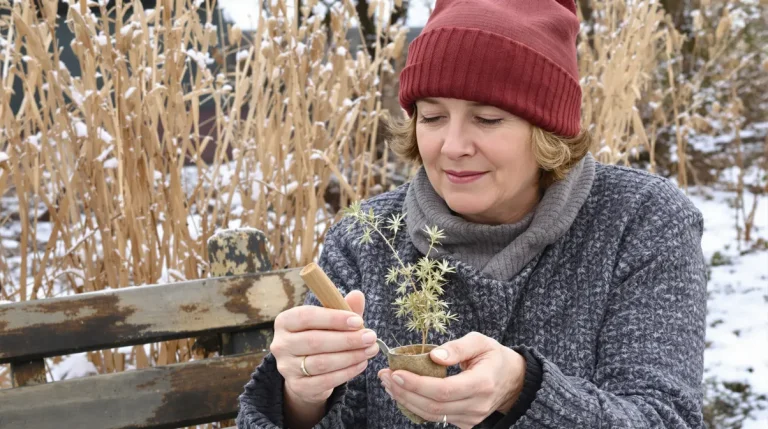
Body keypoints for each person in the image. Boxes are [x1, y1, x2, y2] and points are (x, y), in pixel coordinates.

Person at [236, 0, 707, 428]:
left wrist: (522, 389)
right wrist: (302, 396)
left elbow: (664, 417)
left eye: (487, 119)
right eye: (432, 116)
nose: (453, 147)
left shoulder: (640, 222)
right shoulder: (368, 237)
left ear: (548, 130)